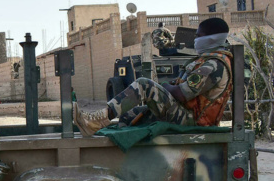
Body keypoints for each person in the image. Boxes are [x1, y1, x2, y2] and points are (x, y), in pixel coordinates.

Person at [73, 17, 233, 136]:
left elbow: (181, 94)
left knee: (144, 85)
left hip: (194, 121)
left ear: (212, 38)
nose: (196, 40)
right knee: (130, 115)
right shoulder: (206, 60)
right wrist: (169, 86)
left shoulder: (214, 65)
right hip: (184, 113)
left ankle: (95, 121)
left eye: (199, 36)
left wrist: (165, 87)